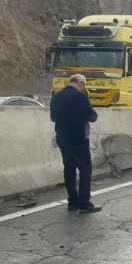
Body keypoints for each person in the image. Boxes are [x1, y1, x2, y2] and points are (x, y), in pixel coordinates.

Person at [50, 74, 101, 213]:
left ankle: (72, 201)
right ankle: (84, 203)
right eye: (83, 86)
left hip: (63, 138)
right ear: (80, 84)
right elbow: (93, 116)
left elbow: (53, 117)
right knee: (85, 169)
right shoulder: (80, 97)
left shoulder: (56, 97)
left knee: (69, 168)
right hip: (79, 138)